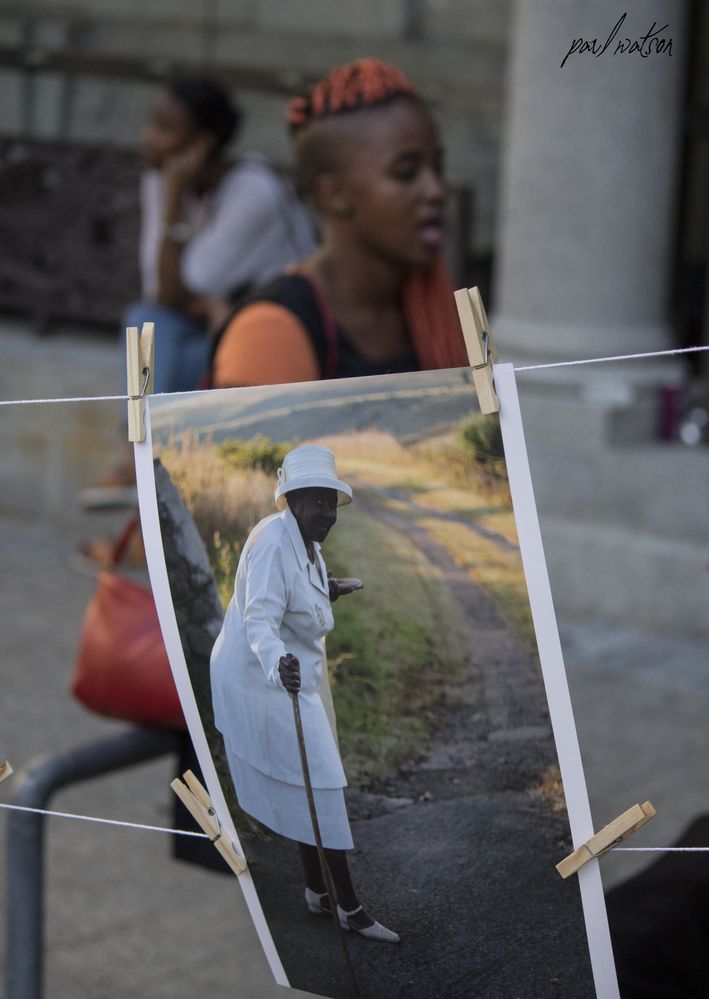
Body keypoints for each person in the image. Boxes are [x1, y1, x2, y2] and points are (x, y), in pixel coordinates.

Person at [210, 444, 399, 942]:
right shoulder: (273, 541)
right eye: (318, 502)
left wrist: (327, 589)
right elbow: (259, 618)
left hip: (287, 672)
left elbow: (296, 593)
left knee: (306, 777)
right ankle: (350, 908)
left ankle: (317, 892)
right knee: (323, 781)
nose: (328, 514)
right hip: (260, 674)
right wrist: (278, 664)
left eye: (332, 502)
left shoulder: (307, 543)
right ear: (291, 499)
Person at [209, 57, 469, 388]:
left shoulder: (432, 313)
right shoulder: (272, 330)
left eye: (438, 168)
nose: (436, 191)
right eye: (406, 173)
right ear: (334, 195)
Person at [130, 74, 316, 394]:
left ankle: (140, 437)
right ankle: (137, 437)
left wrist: (172, 201)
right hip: (218, 328)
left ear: (202, 144)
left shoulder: (256, 191)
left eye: (163, 128)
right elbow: (157, 291)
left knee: (160, 370)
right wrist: (209, 306)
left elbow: (196, 280)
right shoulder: (161, 179)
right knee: (144, 322)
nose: (147, 137)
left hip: (279, 339)